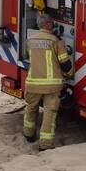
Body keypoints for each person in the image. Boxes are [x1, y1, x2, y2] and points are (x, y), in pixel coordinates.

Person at [23, 15, 72, 150]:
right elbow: (65, 64)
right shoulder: (56, 41)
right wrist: (69, 74)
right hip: (52, 86)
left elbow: (29, 57)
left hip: (32, 84)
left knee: (31, 108)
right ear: (49, 25)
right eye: (52, 24)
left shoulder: (30, 40)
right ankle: (45, 145)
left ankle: (29, 135)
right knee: (49, 113)